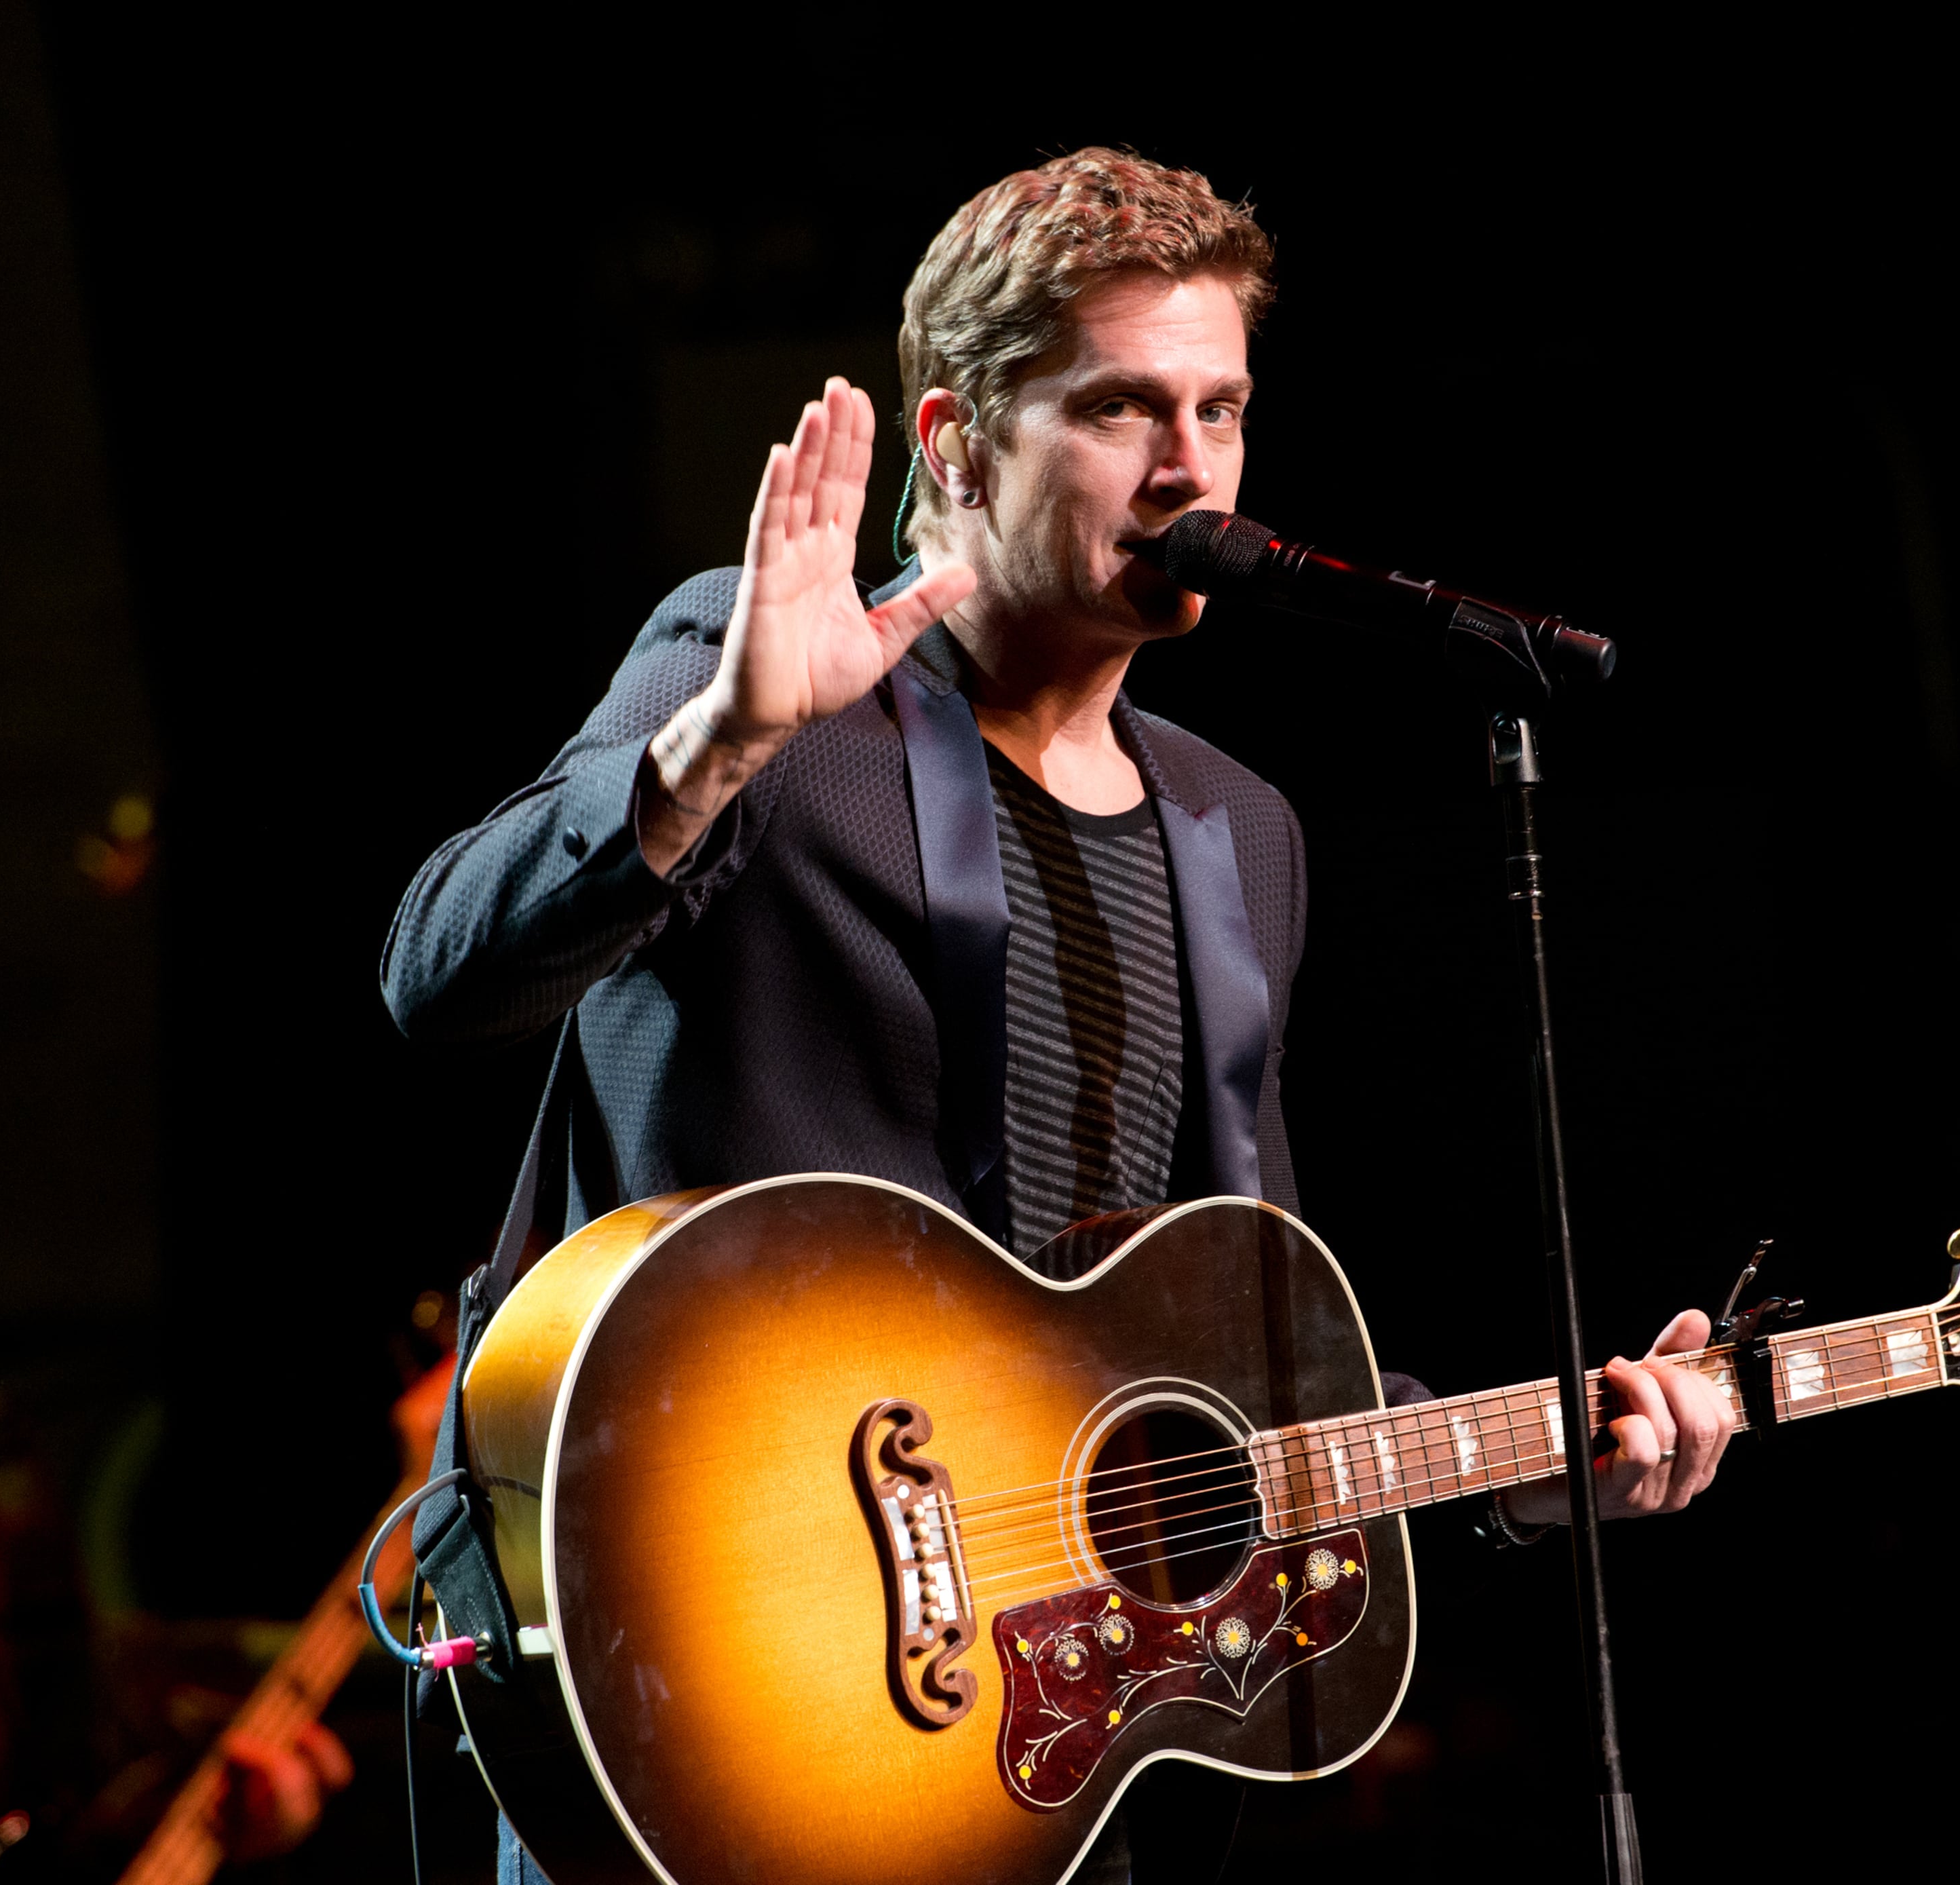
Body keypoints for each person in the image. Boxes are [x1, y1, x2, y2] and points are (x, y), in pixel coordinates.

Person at [383, 148, 1733, 1885]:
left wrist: (1550, 1469)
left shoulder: (1240, 830)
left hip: (1012, 1750)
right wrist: (719, 743)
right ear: (952, 443)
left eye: (1222, 407)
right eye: (1123, 408)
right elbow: (438, 972)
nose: (1192, 467)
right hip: (710, 1676)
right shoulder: (758, 688)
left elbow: (1244, 1348)